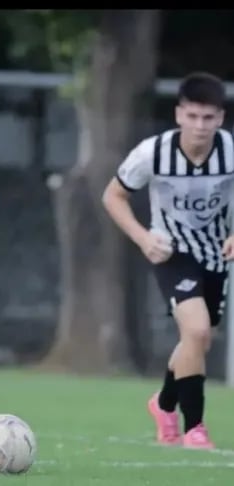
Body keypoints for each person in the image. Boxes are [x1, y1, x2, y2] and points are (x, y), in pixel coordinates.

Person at [102, 71, 234, 449]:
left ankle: (163, 404)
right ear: (178, 115)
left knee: (199, 340)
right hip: (171, 252)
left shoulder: (230, 151)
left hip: (214, 255)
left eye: (208, 118)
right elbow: (113, 196)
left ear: (220, 119)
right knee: (196, 331)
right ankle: (195, 428)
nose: (199, 126)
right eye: (192, 116)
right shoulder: (152, 152)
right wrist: (144, 238)